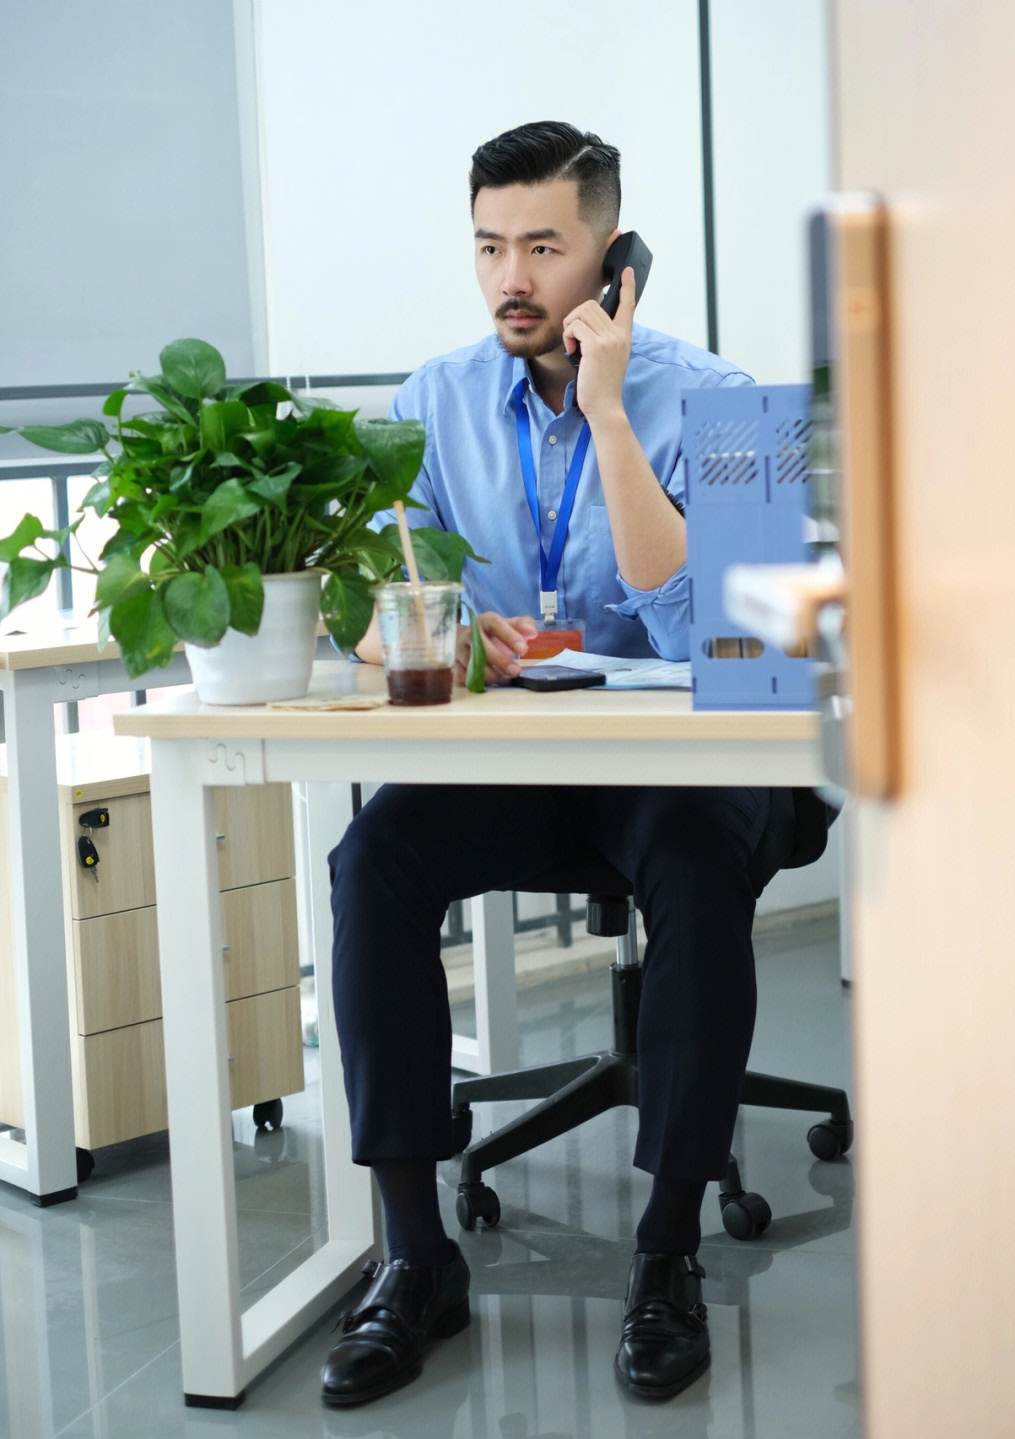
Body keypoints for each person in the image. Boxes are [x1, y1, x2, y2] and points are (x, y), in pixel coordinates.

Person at [321, 119, 779, 1408]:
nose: (511, 277)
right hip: (511, 762)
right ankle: (414, 1259)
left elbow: (738, 640)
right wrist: (449, 628)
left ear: (613, 262)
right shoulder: (431, 399)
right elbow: (368, 604)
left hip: (674, 777)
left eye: (543, 246)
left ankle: (667, 1251)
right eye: (488, 247)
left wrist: (612, 419)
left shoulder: (727, 402)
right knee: (377, 862)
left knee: (694, 867)